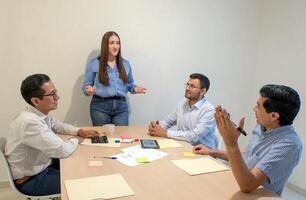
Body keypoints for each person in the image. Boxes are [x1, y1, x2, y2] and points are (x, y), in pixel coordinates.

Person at [194, 84, 302, 196]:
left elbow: (248, 185)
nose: (254, 109)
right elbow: (248, 157)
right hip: (236, 186)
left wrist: (231, 143)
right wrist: (212, 152)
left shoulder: (290, 145)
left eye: (258, 106)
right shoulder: (261, 127)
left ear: (274, 116)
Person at [5, 74, 100, 196]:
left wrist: (79, 131)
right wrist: (76, 139)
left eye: (56, 92)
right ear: (36, 101)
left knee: (83, 165)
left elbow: (59, 126)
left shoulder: (38, 113)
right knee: (83, 181)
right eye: (52, 94)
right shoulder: (30, 123)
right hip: (31, 179)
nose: (57, 97)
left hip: (43, 166)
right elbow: (63, 150)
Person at [82, 31, 146, 126]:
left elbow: (130, 84)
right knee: (103, 139)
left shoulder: (125, 64)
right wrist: (88, 90)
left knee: (121, 139)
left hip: (121, 108)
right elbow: (86, 86)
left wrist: (135, 88)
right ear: (105, 45)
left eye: (118, 43)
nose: (115, 46)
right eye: (111, 43)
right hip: (100, 107)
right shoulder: (94, 63)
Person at [148, 73, 217, 148]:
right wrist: (157, 127)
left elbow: (193, 137)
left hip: (204, 154)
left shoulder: (209, 110)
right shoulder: (181, 104)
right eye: (187, 84)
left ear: (203, 91)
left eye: (192, 86)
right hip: (183, 147)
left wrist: (165, 133)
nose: (187, 88)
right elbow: (168, 121)